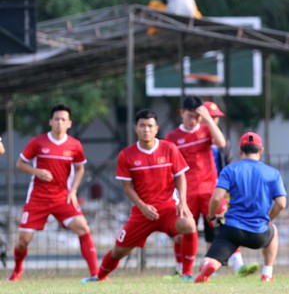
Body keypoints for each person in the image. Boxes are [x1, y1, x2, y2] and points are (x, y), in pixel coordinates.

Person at [82, 109, 198, 282]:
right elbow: (127, 187)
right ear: (135, 128)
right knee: (119, 251)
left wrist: (182, 202)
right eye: (142, 125)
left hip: (167, 209)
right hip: (142, 213)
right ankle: (99, 277)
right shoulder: (126, 155)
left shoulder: (169, 149)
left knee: (188, 224)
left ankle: (187, 274)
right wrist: (143, 207)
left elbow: (180, 175)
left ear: (156, 128)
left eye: (150, 126)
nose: (146, 129)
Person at [9, 104, 99, 281]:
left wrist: (73, 190)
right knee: (23, 240)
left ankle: (96, 274)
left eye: (63, 120)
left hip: (62, 197)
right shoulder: (38, 142)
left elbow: (80, 169)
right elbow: (20, 164)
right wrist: (37, 172)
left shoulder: (75, 145)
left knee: (82, 227)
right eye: (56, 119)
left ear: (69, 123)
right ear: (50, 121)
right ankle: (17, 271)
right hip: (38, 198)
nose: (59, 122)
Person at [195, 132, 287, 283]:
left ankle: (210, 264)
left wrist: (211, 217)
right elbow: (281, 204)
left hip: (232, 230)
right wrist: (268, 220)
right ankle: (267, 274)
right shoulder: (272, 173)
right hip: (259, 233)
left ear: (240, 151)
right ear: (261, 150)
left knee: (215, 254)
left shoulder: (230, 170)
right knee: (274, 231)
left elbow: (217, 198)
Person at [165, 96, 240, 276]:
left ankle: (239, 267)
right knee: (182, 231)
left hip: (209, 190)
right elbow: (170, 167)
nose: (194, 121)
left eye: (197, 117)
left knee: (223, 225)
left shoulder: (206, 130)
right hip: (186, 192)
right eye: (190, 116)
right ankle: (180, 269)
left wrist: (207, 119)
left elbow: (222, 144)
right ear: (181, 113)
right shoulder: (172, 137)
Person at [204, 100, 251, 275]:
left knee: (225, 223)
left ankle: (237, 264)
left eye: (216, 118)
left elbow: (229, 161)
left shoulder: (220, 140)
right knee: (209, 228)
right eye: (211, 117)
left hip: (219, 189)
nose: (214, 121)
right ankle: (209, 267)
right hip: (200, 190)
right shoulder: (196, 140)